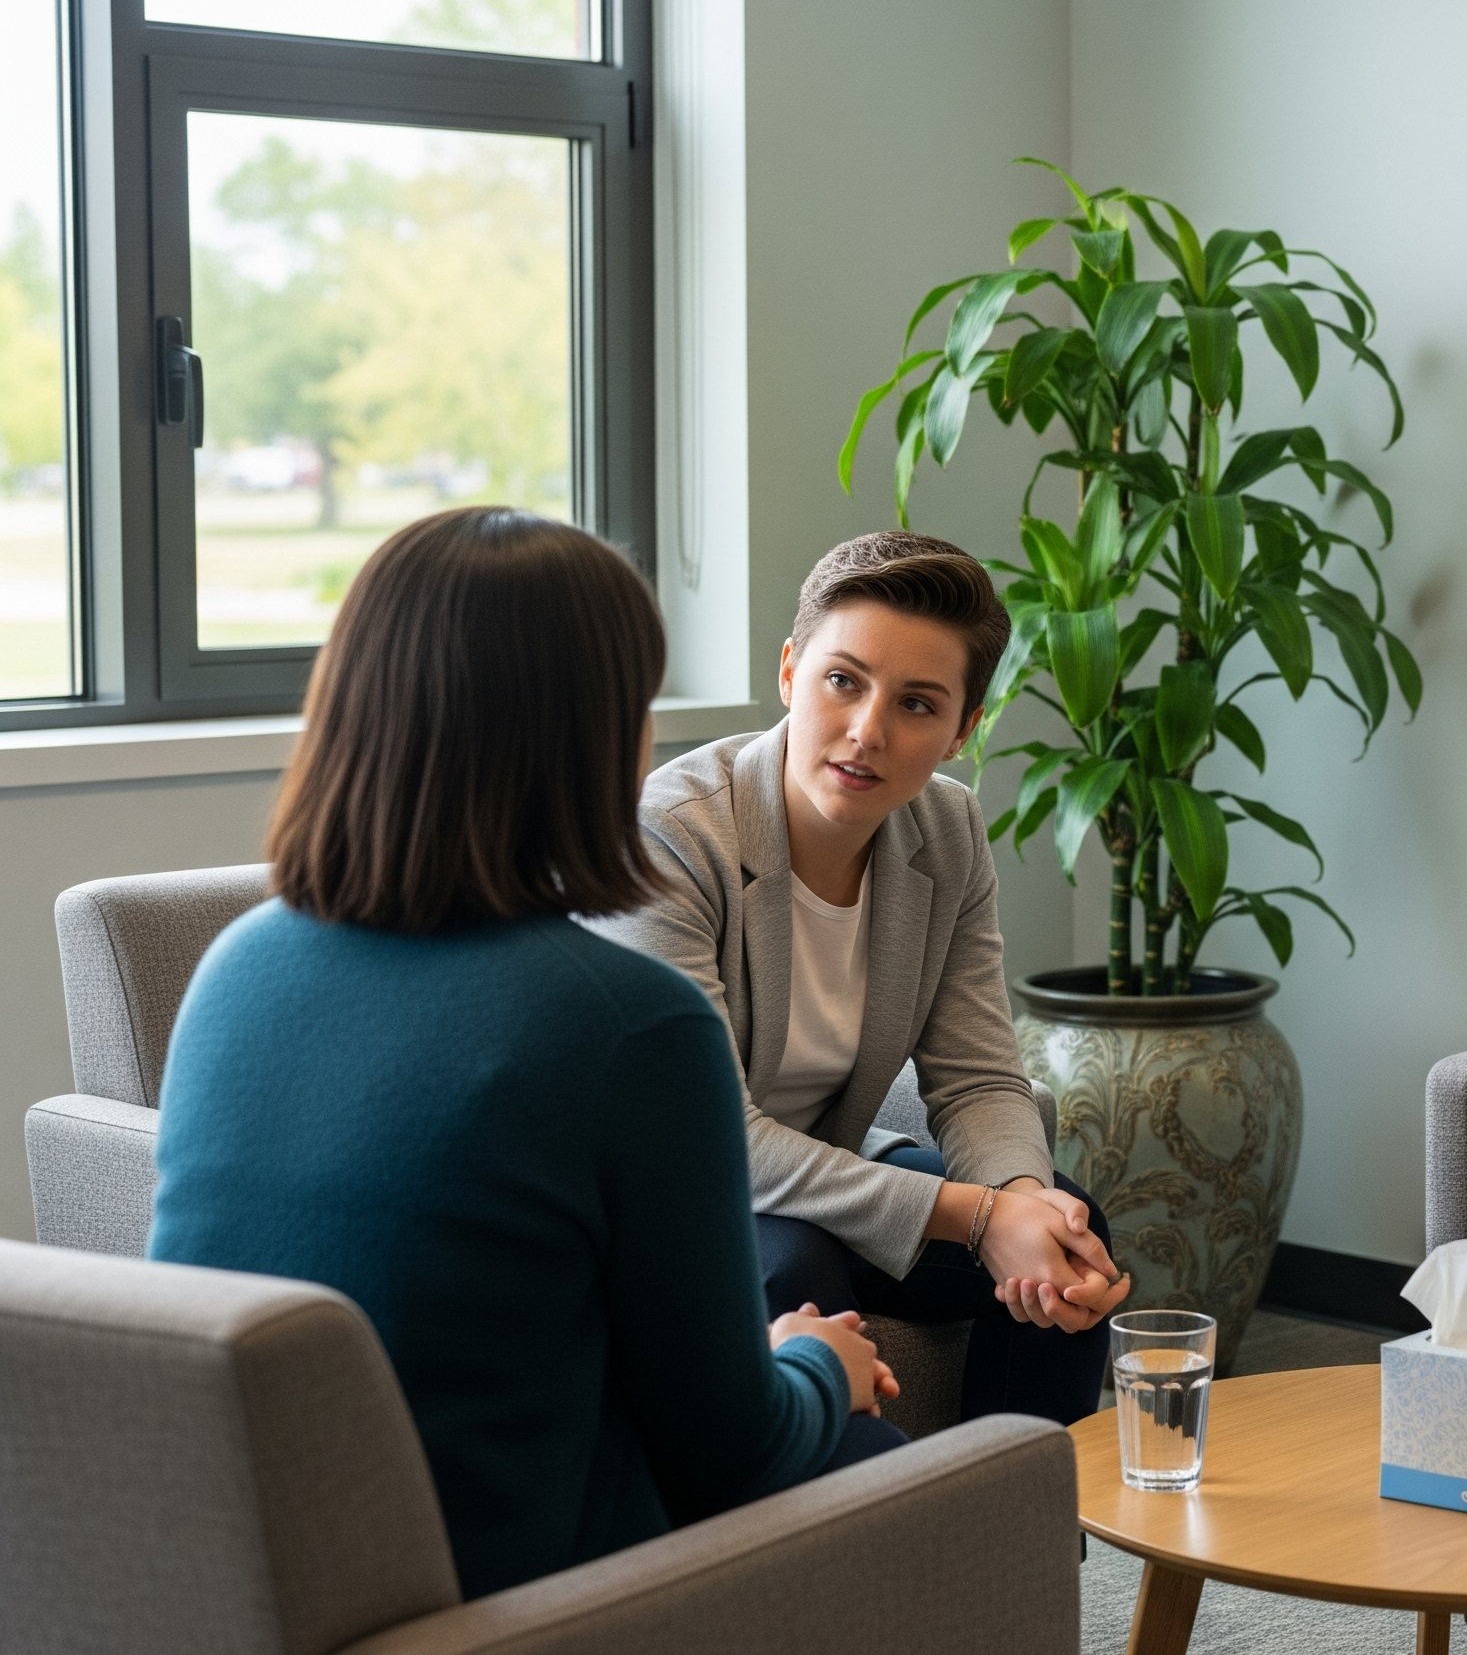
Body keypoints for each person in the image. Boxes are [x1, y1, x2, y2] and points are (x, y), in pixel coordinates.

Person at [149, 508, 902, 1601]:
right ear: (593, 740)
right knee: (926, 1481)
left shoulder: (235, 968)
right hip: (512, 1605)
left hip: (238, 1581)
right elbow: (732, 1453)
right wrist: (814, 1363)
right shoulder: (625, 1024)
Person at [598, 530, 1130, 1428]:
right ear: (789, 672)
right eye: (842, 680)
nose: (867, 731)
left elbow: (978, 1076)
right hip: (662, 1197)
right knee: (789, 1267)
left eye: (918, 703)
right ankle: (840, 1556)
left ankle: (1022, 1551)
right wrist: (973, 1212)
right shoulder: (674, 837)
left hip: (823, 1171)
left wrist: (1025, 1206)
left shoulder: (947, 831)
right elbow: (709, 1136)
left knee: (1072, 1231)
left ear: (964, 731)